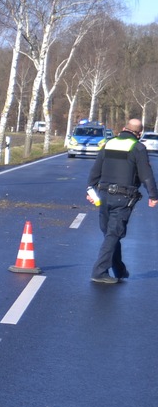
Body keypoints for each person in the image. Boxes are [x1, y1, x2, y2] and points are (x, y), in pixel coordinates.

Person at [86, 118, 158, 284]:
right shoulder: (138, 147)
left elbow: (95, 171)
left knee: (110, 233)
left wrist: (90, 190)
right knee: (113, 234)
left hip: (103, 196)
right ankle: (99, 272)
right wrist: (153, 196)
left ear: (124, 128)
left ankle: (119, 269)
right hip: (123, 198)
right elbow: (146, 175)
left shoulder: (109, 144)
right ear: (139, 134)